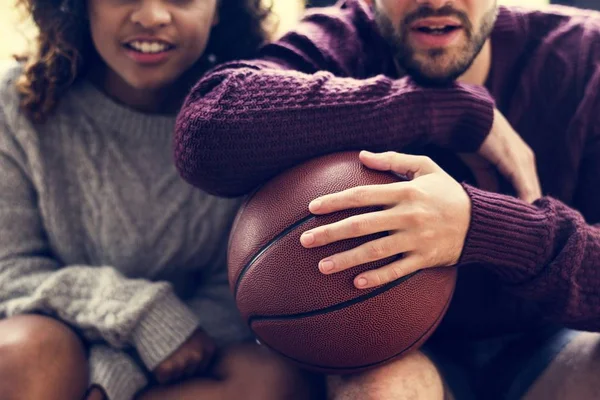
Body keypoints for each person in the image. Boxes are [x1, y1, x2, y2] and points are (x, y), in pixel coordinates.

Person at [173, 0, 600, 399]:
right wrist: (443, 111)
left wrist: (480, 228)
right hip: (398, 354)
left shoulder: (584, 55)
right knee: (380, 388)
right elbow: (204, 129)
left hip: (554, 341)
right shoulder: (341, 40)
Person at [0, 1, 321, 400]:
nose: (151, 16)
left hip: (183, 358)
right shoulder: (18, 107)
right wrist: (139, 315)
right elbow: (10, 271)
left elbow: (238, 291)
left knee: (270, 381)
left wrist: (123, 367)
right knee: (27, 349)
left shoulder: (248, 120)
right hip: (54, 350)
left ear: (220, 8)